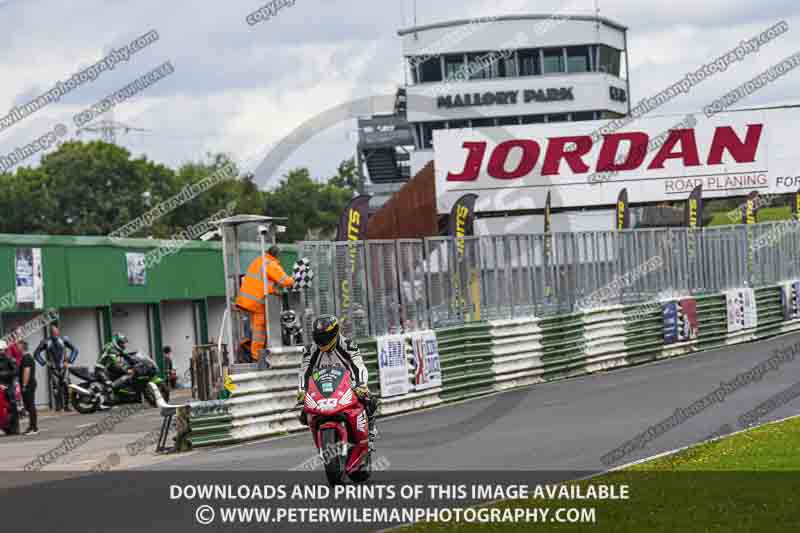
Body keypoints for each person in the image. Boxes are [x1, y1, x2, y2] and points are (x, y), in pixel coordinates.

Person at [296, 315, 378, 450]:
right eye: (319, 337)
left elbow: (359, 366)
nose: (322, 341)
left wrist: (361, 385)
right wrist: (302, 391)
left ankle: (370, 432)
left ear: (335, 332)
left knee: (369, 400)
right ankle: (320, 437)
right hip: (321, 386)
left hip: (347, 385)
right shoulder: (310, 350)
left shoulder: (348, 345)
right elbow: (304, 372)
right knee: (304, 414)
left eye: (325, 337)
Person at [235, 244, 295, 363]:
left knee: (255, 329)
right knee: (259, 330)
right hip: (257, 302)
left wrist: (274, 289)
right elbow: (285, 281)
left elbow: (265, 283)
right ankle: (256, 356)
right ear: (277, 255)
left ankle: (254, 353)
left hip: (249, 301)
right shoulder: (270, 264)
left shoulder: (260, 261)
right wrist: (295, 279)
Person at [33, 325, 79, 412]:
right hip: (53, 368)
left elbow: (75, 350)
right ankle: (58, 406)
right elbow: (36, 353)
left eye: (55, 331)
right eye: (52, 332)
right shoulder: (46, 342)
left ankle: (67, 405)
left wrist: (69, 361)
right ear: (50, 333)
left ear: (58, 332)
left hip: (63, 367)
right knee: (56, 388)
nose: (54, 333)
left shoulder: (64, 339)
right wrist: (44, 363)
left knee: (66, 385)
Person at [18, 340, 38, 436]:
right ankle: (32, 426)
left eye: (19, 345)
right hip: (30, 384)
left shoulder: (26, 358)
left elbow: (27, 371)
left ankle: (33, 428)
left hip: (28, 385)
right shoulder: (27, 357)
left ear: (23, 347)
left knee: (30, 406)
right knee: (29, 406)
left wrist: (24, 385)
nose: (17, 347)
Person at [0, 340, 20, 435]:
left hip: (9, 385)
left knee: (12, 405)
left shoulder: (10, 359)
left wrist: (4, 374)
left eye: (2, 350)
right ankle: (5, 427)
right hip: (0, 386)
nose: (1, 352)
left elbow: (16, 371)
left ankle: (15, 428)